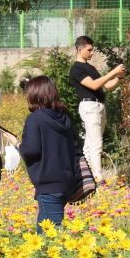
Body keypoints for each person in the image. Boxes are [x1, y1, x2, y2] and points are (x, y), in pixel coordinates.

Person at [19, 76, 80, 231]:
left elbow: (31, 150)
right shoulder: (65, 117)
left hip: (49, 183)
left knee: (51, 236)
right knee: (44, 229)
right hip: (67, 181)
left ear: (35, 94)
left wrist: (19, 145)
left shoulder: (35, 119)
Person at [69, 36, 125, 179]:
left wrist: (119, 78)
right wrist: (113, 72)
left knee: (89, 145)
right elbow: (94, 85)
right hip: (89, 106)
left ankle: (85, 177)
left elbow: (107, 86)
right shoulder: (76, 69)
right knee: (96, 143)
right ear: (79, 49)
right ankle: (99, 179)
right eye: (89, 50)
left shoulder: (91, 68)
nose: (92, 53)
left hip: (99, 106)